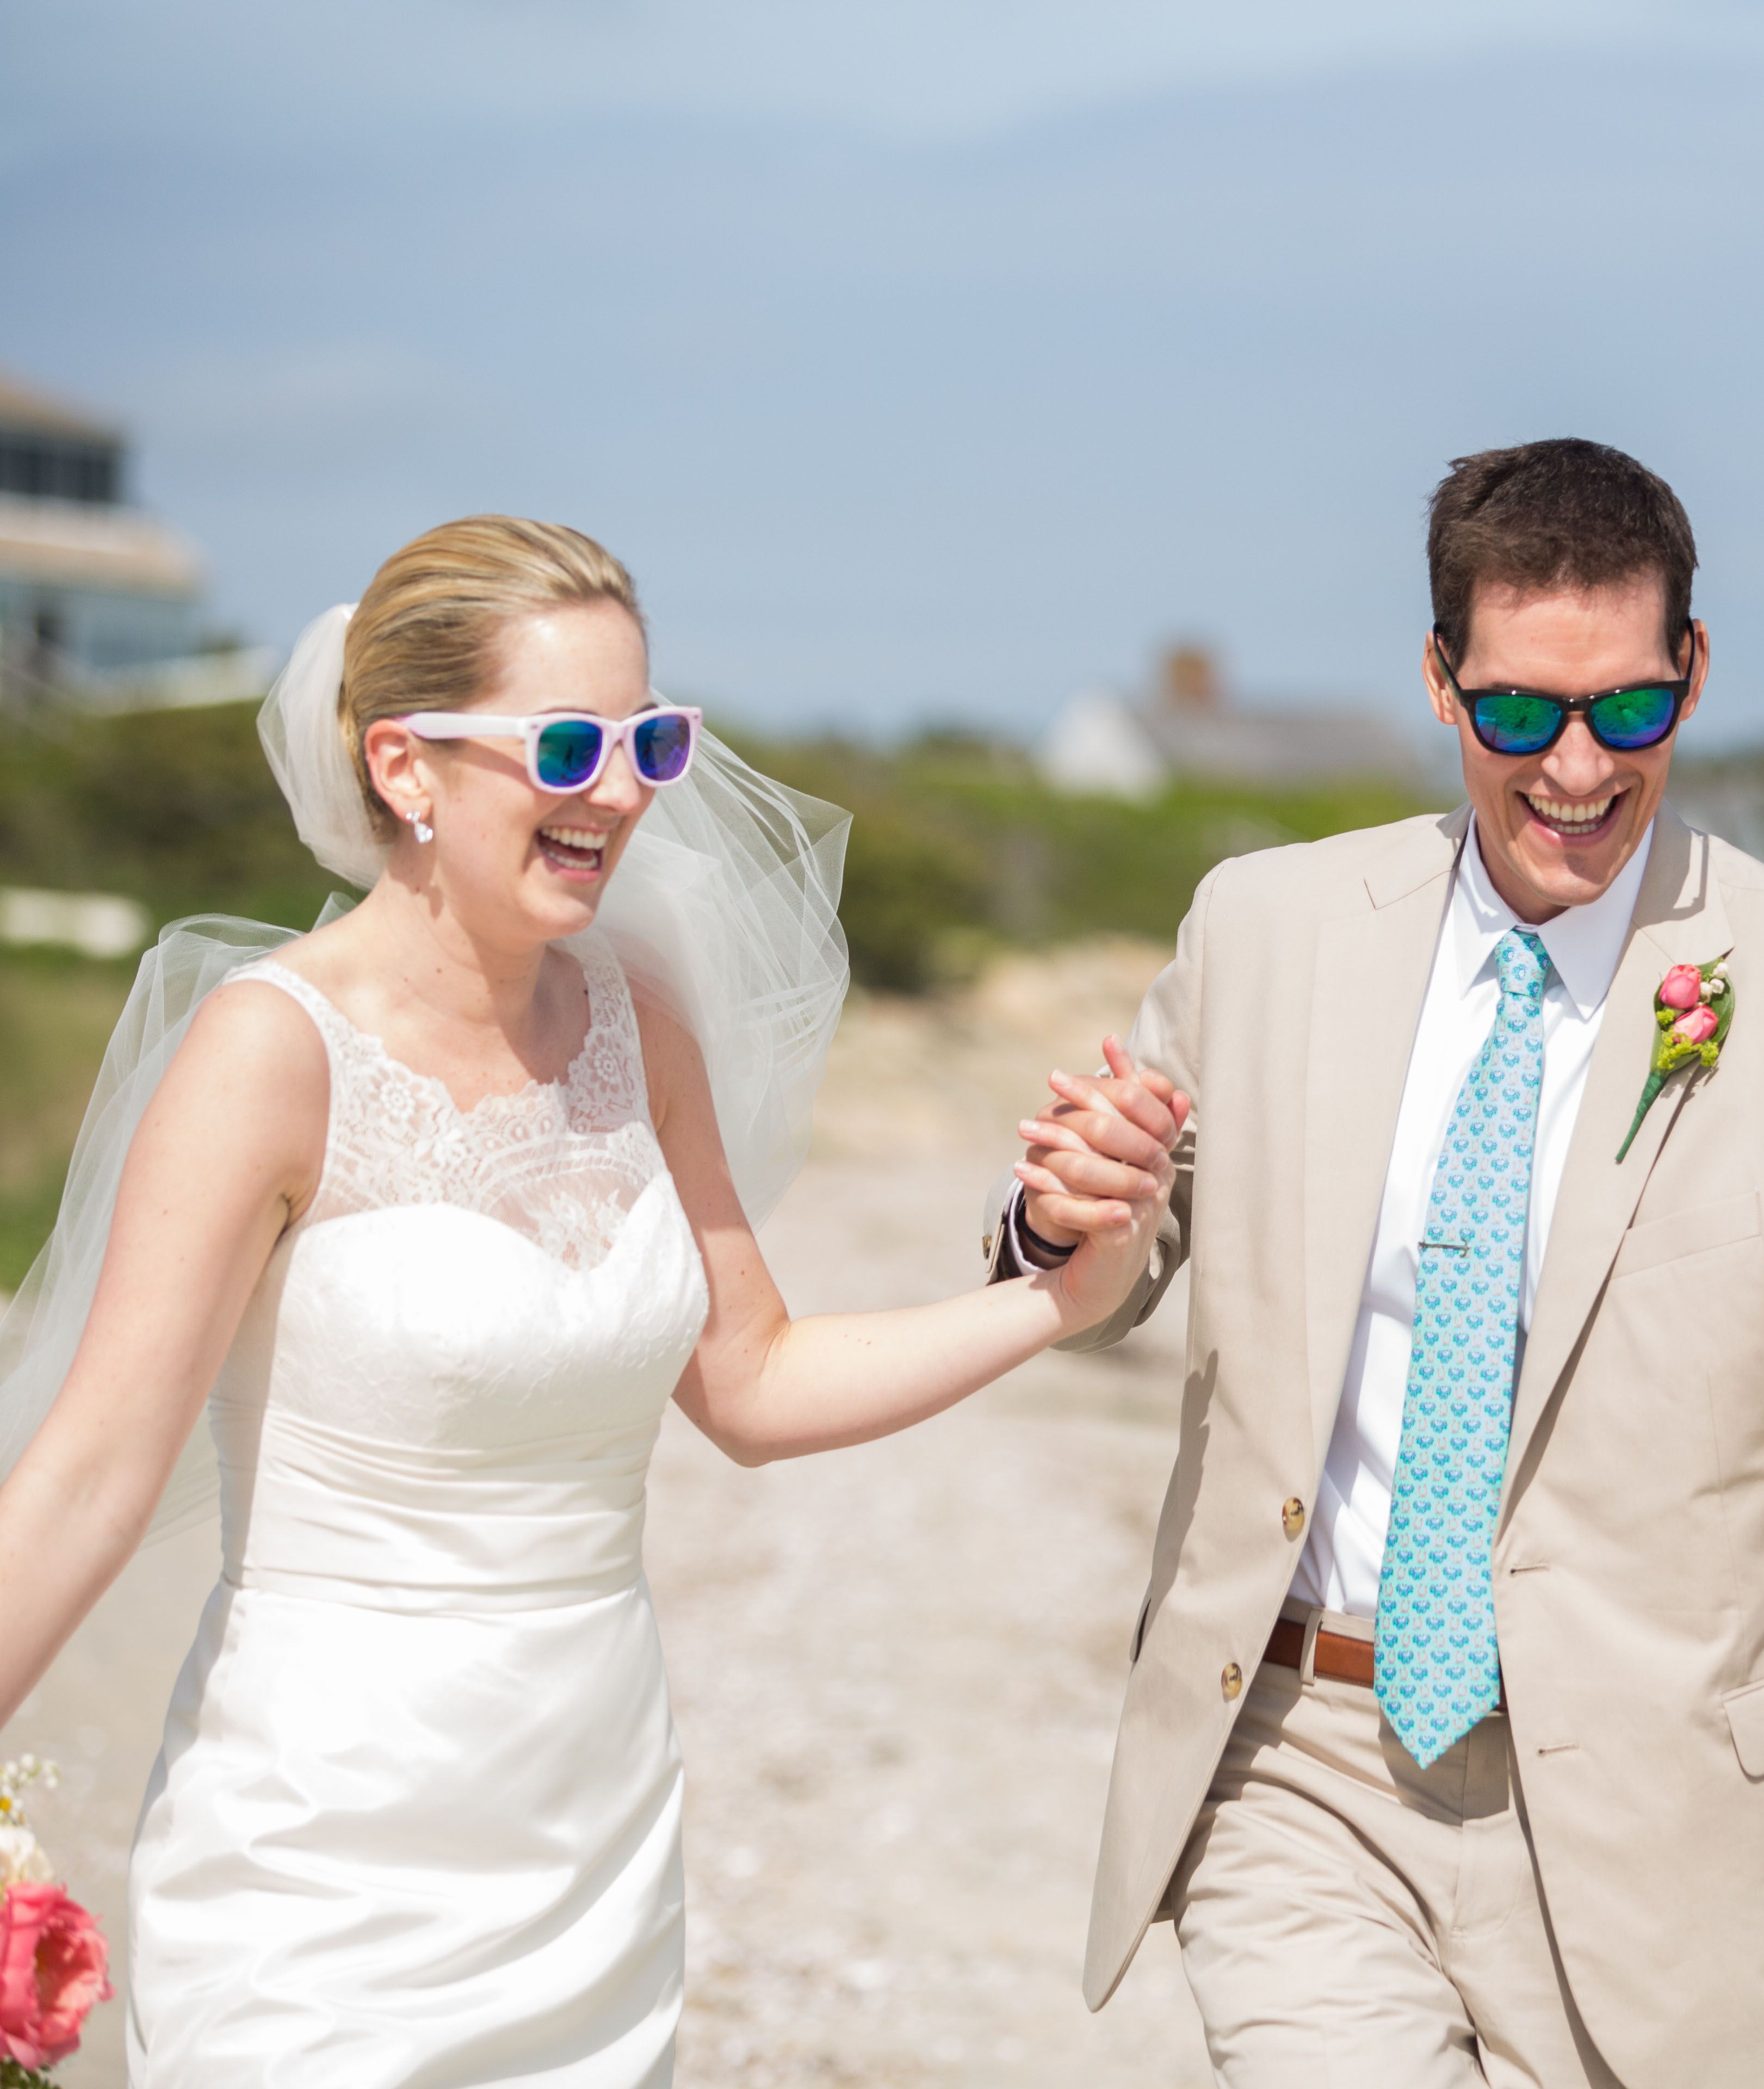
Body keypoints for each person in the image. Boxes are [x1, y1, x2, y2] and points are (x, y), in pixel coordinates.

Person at [0, 516, 1180, 2084]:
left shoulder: (640, 1019)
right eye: (568, 741)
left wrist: (1055, 1301)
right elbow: (87, 1476)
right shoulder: (268, 1057)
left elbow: (753, 1381)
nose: (621, 790)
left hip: (594, 1835)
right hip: (317, 1849)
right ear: (405, 767)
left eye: (650, 737)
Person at [988, 439, 1764, 2088]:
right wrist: (1070, 1213)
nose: (1576, 766)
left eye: (1628, 711)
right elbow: (1116, 1266)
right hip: (1307, 1759)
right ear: (1440, 681)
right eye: (1520, 713)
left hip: (1687, 1814)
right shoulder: (1262, 931)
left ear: (1692, 677)